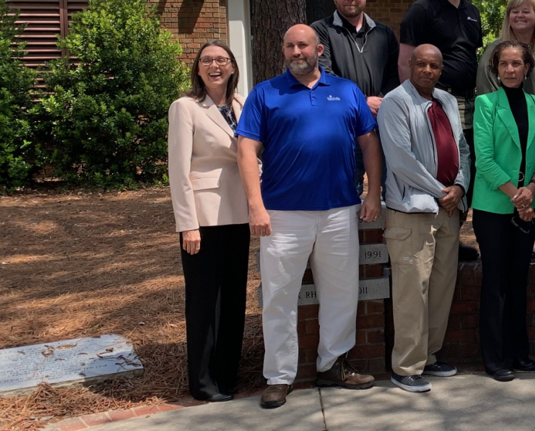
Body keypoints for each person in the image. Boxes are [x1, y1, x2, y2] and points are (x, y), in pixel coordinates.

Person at [236, 25, 382, 410]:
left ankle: (332, 365)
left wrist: (372, 193)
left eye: (303, 45)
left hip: (339, 210)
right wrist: (255, 205)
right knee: (280, 297)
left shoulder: (347, 90)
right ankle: (279, 377)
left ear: (318, 49)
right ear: (282, 50)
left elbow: (369, 144)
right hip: (283, 214)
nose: (296, 51)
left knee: (341, 292)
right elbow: (246, 150)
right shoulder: (265, 93)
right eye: (289, 45)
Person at [379, 45, 471, 393]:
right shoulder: (395, 102)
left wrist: (460, 186)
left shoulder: (446, 101)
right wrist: (440, 190)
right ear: (410, 65)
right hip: (413, 211)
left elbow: (461, 147)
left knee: (441, 287)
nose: (428, 70)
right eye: (421, 64)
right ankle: (406, 366)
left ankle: (430, 356)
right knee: (411, 289)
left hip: (447, 210)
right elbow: (400, 159)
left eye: (434, 65)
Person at [168, 40, 249, 403]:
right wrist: (187, 223)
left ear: (232, 67)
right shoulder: (185, 108)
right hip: (203, 219)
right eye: (207, 61)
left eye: (222, 60)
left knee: (233, 299)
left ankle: (227, 376)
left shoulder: (242, 104)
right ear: (198, 69)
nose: (215, 65)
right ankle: (203, 382)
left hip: (239, 214)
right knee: (204, 302)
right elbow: (178, 169)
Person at [471, 41, 535, 382]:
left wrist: (532, 188)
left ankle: (519, 351)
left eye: (516, 63)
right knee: (496, 282)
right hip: (493, 207)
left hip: (527, 204)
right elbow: (484, 159)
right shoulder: (485, 103)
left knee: (519, 279)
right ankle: (495, 357)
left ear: (526, 67)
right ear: (495, 68)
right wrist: (516, 196)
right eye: (504, 63)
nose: (510, 69)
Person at [398, 0, 484, 261]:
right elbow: (406, 60)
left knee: (466, 166)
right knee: (441, 164)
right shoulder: (422, 10)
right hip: (435, 101)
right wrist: (416, 104)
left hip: (468, 102)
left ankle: (453, 233)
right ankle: (436, 234)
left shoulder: (472, 12)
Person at [311, 0, 400, 194]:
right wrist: (362, 102)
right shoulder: (321, 31)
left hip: (381, 121)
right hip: (342, 124)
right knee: (347, 190)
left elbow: (394, 75)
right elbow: (325, 74)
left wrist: (384, 102)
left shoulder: (384, 33)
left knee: (392, 189)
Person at [476, 0, 535, 147]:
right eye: (515, 11)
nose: (520, 15)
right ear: (508, 18)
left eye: (526, 11)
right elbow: (485, 89)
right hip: (506, 133)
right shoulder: (495, 49)